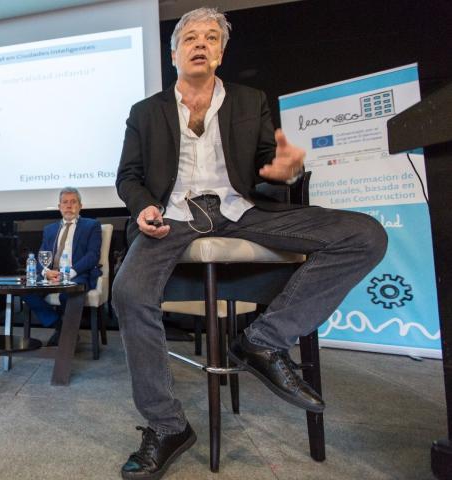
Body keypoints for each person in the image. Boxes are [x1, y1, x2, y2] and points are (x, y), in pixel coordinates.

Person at [113, 7, 388, 479]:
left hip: (240, 211)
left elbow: (267, 160)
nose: (201, 44)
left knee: (365, 235)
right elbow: (129, 176)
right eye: (191, 37)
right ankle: (167, 425)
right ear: (174, 53)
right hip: (172, 216)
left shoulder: (249, 100)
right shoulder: (145, 112)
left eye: (211, 37)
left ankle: (263, 340)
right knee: (128, 292)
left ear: (221, 53)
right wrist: (143, 207)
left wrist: (285, 170)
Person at [23, 187, 102, 346]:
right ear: (59, 207)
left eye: (73, 202)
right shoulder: (50, 229)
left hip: (77, 274)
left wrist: (69, 273)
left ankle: (64, 334)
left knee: (67, 294)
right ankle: (60, 326)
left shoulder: (92, 225)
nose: (69, 206)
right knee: (26, 290)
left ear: (80, 206)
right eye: (65, 202)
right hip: (52, 275)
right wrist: (46, 272)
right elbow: (42, 255)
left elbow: (92, 255)